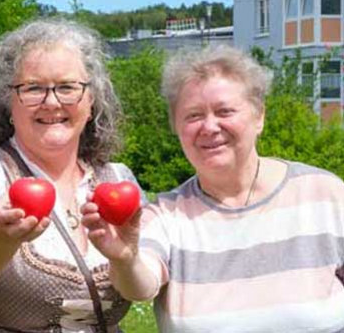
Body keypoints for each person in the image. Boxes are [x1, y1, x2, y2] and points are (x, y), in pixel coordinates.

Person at [82, 45, 344, 332]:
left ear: (259, 117)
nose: (209, 126)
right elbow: (140, 287)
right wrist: (125, 259)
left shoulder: (325, 194)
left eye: (225, 111)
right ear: (176, 127)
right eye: (193, 116)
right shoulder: (167, 214)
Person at [0, 19, 145, 333]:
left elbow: (140, 289)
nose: (51, 102)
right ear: (9, 103)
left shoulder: (116, 179)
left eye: (67, 87)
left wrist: (126, 258)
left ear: (92, 100)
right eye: (33, 88)